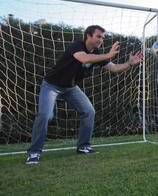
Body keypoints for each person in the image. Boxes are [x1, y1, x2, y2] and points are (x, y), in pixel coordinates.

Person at [26, 25, 143, 164]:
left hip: (71, 88)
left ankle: (83, 146)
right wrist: (108, 55)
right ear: (88, 35)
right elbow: (84, 58)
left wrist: (129, 63)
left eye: (103, 37)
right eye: (98, 36)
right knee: (45, 115)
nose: (101, 40)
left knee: (89, 111)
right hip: (52, 86)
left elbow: (113, 68)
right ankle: (34, 153)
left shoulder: (97, 52)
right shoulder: (76, 45)